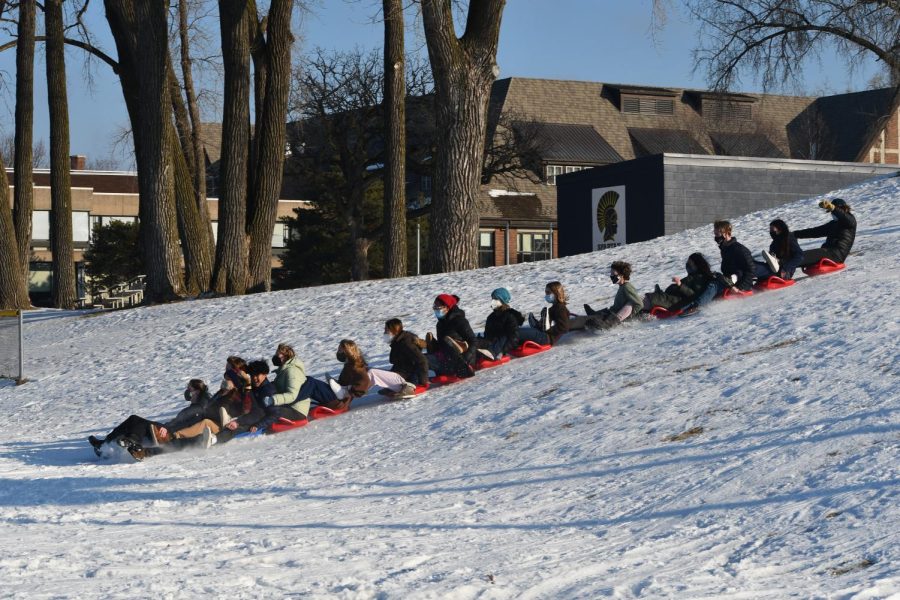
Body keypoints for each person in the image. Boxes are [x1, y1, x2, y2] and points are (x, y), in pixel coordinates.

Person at [87, 379, 213, 460]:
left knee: (135, 419)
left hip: (168, 433)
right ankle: (107, 446)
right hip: (167, 429)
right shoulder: (197, 406)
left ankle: (126, 441)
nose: (187, 392)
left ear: (196, 391)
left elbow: (185, 423)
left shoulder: (198, 408)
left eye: (189, 389)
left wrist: (167, 428)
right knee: (134, 421)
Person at [327, 339, 417, 404]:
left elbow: (363, 382)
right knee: (368, 373)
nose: (338, 352)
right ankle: (343, 390)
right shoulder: (349, 365)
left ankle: (344, 392)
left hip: (402, 383)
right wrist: (338, 385)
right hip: (395, 382)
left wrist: (349, 394)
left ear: (347, 351)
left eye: (340, 350)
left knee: (371, 373)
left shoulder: (357, 366)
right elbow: (345, 379)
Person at [643, 253, 717, 312]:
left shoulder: (700, 278)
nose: (687, 265)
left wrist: (680, 285)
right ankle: (638, 313)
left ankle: (636, 316)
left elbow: (694, 295)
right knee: (645, 300)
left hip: (675, 302)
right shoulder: (692, 276)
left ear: (696, 265)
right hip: (670, 298)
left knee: (649, 299)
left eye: (690, 263)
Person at [426, 294, 477, 378]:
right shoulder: (440, 324)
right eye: (434, 308)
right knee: (419, 358)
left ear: (447, 307)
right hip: (445, 358)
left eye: (438, 308)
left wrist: (465, 360)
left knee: (423, 360)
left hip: (461, 361)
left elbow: (473, 341)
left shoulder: (459, 321)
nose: (436, 310)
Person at [582, 261, 644, 330]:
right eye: (611, 274)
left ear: (621, 275)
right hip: (611, 312)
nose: (611, 276)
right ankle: (594, 314)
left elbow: (639, 304)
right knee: (595, 317)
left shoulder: (627, 287)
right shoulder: (622, 286)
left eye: (613, 274)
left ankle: (602, 323)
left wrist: (629, 316)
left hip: (615, 316)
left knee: (592, 322)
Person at [795, 198, 857, 266]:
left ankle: (785, 273)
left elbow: (844, 216)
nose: (832, 213)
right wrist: (795, 234)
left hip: (836, 254)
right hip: (828, 252)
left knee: (797, 257)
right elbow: (815, 231)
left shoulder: (850, 221)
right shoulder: (833, 224)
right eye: (831, 212)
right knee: (797, 257)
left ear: (843, 209)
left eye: (833, 211)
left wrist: (834, 208)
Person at [475, 287, 525, 360]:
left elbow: (513, 337)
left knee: (504, 336)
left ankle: (491, 353)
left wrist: (502, 351)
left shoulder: (510, 316)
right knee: (474, 340)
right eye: (492, 298)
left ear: (502, 301)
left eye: (495, 299)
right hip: (492, 343)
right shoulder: (491, 317)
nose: (493, 301)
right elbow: (487, 335)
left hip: (502, 345)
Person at [517, 281, 570, 346]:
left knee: (516, 332)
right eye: (545, 293)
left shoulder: (560, 309)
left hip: (546, 337)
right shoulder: (553, 308)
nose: (546, 295)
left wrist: (548, 330)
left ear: (556, 293)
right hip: (542, 334)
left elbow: (564, 328)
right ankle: (537, 325)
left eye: (548, 293)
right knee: (515, 332)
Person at [385, 318, 429, 387]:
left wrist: (423, 381)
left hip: (411, 378)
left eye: (387, 331)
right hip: (403, 374)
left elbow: (422, 360)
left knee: (372, 372)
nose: (385, 333)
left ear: (395, 331)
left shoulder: (406, 343)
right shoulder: (397, 342)